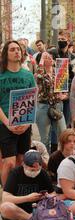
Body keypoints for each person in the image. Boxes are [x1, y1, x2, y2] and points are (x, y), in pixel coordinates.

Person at [0, 41, 36, 187]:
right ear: (5, 54)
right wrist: (7, 123)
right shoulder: (1, 75)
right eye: (12, 49)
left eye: (18, 50)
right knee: (9, 162)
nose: (17, 52)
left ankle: (16, 192)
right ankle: (6, 195)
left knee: (21, 161)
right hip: (5, 124)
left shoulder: (28, 75)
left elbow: (33, 100)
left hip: (24, 124)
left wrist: (27, 123)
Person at [0, 150, 54, 220]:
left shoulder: (43, 173)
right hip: (18, 210)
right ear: (23, 164)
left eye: (37, 170)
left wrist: (47, 197)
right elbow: (6, 198)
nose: (35, 172)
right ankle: (32, 219)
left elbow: (53, 194)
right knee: (5, 207)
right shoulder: (15, 173)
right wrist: (27, 198)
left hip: (37, 209)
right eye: (32, 170)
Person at [35, 52, 67, 152]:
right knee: (45, 139)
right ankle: (46, 163)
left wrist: (64, 95)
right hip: (43, 106)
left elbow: (66, 90)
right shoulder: (40, 73)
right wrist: (41, 60)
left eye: (51, 57)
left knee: (64, 135)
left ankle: (62, 160)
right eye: (46, 57)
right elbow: (39, 77)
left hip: (57, 106)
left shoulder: (59, 72)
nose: (49, 59)